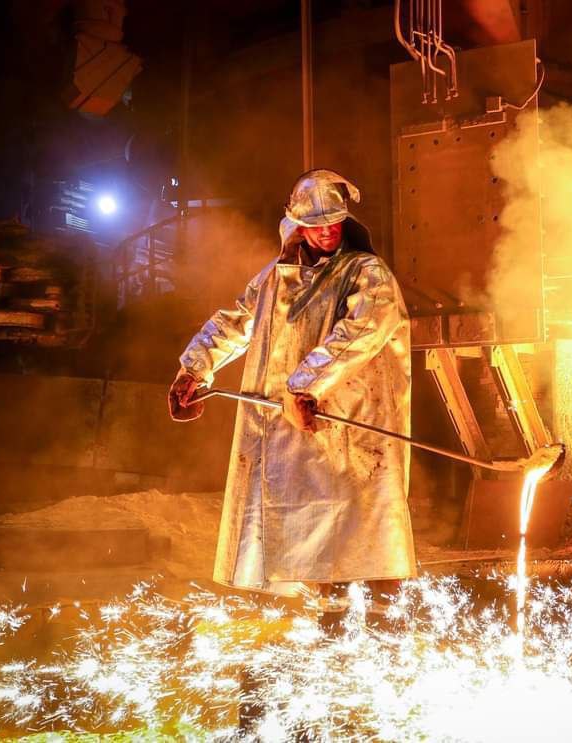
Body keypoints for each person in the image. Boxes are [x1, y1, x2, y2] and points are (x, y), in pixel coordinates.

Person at [168, 169, 415, 611]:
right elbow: (239, 321)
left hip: (354, 427)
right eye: (316, 224)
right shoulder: (276, 278)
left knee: (373, 532)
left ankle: (387, 629)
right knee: (321, 542)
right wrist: (195, 368)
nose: (327, 231)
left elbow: (362, 332)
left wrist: (305, 387)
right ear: (296, 225)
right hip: (304, 432)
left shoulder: (367, 273)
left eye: (334, 222)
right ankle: (332, 628)